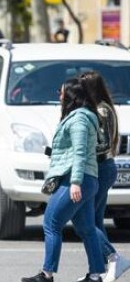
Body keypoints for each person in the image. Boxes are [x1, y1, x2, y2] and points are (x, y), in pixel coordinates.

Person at [22, 77, 104, 282]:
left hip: (76, 179)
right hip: (85, 179)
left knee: (51, 223)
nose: (59, 96)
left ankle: (47, 274)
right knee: (86, 228)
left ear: (70, 95)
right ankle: (95, 276)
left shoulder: (79, 120)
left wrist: (75, 182)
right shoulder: (82, 117)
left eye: (61, 92)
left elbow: (80, 153)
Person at [78, 71, 130, 282]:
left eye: (82, 88)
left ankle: (114, 258)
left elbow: (105, 144)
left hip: (101, 168)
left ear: (90, 89)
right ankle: (98, 271)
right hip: (101, 168)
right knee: (95, 220)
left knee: (85, 220)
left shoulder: (102, 110)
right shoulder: (100, 108)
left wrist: (82, 150)